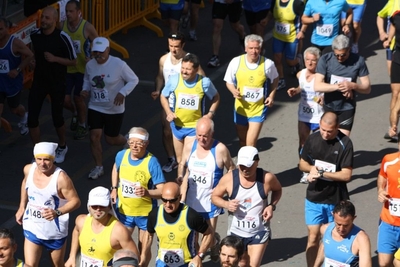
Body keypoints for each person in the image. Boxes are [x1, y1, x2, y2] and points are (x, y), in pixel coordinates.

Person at [211, 146, 282, 267]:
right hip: (236, 231)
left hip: (259, 230)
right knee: (241, 263)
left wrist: (271, 206)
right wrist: (226, 204)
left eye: (248, 165)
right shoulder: (229, 179)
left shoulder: (267, 178)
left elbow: (278, 190)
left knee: (253, 265)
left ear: (257, 162)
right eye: (242, 165)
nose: (244, 169)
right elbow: (214, 197)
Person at [299, 111, 354, 267]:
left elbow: (346, 175)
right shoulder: (313, 138)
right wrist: (311, 169)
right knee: (313, 236)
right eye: (322, 129)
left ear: (337, 128)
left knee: (332, 236)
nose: (324, 133)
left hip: (335, 198)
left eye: (329, 131)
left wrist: (324, 173)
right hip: (314, 197)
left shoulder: (345, 143)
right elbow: (302, 163)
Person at [81, 37, 139, 179]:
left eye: (101, 52)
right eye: (95, 52)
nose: (98, 55)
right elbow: (87, 79)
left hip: (114, 108)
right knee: (94, 137)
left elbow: (134, 80)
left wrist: (122, 92)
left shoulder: (119, 64)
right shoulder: (90, 65)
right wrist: (85, 89)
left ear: (108, 50)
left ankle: (126, 141)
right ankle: (98, 167)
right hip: (95, 106)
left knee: (111, 139)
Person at [15, 142, 81, 267]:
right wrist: (22, 206)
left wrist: (57, 212)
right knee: (30, 265)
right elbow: (25, 183)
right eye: (39, 159)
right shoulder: (28, 169)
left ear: (53, 158)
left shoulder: (61, 178)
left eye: (47, 159)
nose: (42, 163)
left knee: (57, 265)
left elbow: (76, 201)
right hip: (32, 226)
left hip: (54, 231)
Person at [179, 117, 235, 262]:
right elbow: (182, 164)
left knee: (208, 235)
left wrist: (224, 190)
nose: (202, 139)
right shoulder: (190, 144)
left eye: (206, 136)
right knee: (193, 238)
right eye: (199, 135)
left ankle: (212, 244)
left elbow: (232, 169)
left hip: (211, 201)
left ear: (212, 134)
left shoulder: (220, 149)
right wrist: (180, 177)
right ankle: (207, 250)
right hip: (192, 200)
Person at [28, 6, 77, 163]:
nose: (43, 20)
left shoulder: (62, 37)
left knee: (57, 118)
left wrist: (55, 59)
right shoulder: (35, 35)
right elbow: (32, 51)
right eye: (43, 17)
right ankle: (38, 151)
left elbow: (74, 61)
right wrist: (32, 61)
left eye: (47, 18)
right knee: (32, 119)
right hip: (39, 81)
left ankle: (62, 145)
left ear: (55, 20)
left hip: (57, 82)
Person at [111, 127, 165, 267]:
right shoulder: (121, 155)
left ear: (146, 144)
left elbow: (163, 190)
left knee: (143, 251)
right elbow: (115, 168)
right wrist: (114, 188)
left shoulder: (152, 162)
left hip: (145, 214)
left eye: (139, 143)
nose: (134, 146)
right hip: (125, 211)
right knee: (123, 247)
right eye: (131, 142)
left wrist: (147, 193)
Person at [152, 32, 205, 173]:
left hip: (187, 104)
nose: (173, 49)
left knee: (189, 133)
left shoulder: (189, 61)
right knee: (167, 131)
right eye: (170, 45)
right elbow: (159, 77)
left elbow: (203, 80)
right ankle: (172, 159)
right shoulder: (164, 60)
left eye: (176, 46)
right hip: (169, 102)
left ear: (183, 45)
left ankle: (190, 160)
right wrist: (157, 90)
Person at [160, 53, 220, 166]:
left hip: (193, 127)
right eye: (182, 68)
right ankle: (181, 180)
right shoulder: (174, 80)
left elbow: (216, 97)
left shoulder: (204, 82)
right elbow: (163, 96)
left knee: (188, 159)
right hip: (177, 126)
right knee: (179, 160)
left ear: (196, 69)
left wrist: (210, 114)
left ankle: (188, 182)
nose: (184, 71)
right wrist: (168, 111)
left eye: (188, 69)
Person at [140, 181, 213, 267]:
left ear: (180, 197)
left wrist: (199, 256)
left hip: (186, 263)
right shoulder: (155, 214)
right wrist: (143, 256)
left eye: (172, 201)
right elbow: (149, 235)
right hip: (162, 263)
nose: (168, 204)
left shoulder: (191, 216)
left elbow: (208, 233)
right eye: (164, 200)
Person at [224, 34, 279, 147]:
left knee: (250, 143)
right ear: (245, 48)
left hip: (258, 109)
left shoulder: (268, 64)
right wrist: (233, 90)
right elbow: (228, 81)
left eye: (257, 48)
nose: (254, 51)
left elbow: (275, 78)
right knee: (242, 141)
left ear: (260, 48)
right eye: (251, 48)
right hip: (240, 109)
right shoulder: (236, 62)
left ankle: (250, 163)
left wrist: (271, 96)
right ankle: (245, 163)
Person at [64, 186, 140, 267]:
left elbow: (134, 258)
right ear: (89, 206)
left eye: (102, 205)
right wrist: (72, 257)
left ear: (109, 206)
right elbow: (76, 231)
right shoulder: (81, 221)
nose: (98, 209)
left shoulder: (118, 230)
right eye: (94, 206)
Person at [314, 34, 371, 136]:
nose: (340, 58)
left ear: (349, 49)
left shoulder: (359, 61)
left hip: (347, 107)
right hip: (329, 105)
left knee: (343, 141)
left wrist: (353, 86)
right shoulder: (325, 59)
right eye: (337, 55)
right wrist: (340, 86)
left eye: (343, 55)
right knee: (327, 137)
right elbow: (317, 86)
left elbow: (367, 88)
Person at [59, 0, 98, 140]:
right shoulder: (62, 26)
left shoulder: (86, 27)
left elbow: (99, 43)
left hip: (82, 70)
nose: (68, 14)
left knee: (78, 98)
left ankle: (82, 125)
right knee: (64, 100)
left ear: (78, 12)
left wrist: (93, 57)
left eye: (71, 11)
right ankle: (75, 113)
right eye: (66, 11)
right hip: (67, 69)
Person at [287, 46, 323, 184]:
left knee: (318, 145)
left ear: (318, 61)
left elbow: (326, 91)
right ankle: (305, 170)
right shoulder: (300, 74)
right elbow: (302, 87)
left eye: (313, 61)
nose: (309, 63)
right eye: (307, 60)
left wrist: (323, 99)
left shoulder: (322, 76)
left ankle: (318, 170)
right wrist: (295, 91)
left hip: (319, 115)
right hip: (304, 114)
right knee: (303, 142)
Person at [0, 17, 33, 135]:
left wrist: (17, 70)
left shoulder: (15, 43)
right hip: (0, 82)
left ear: (7, 29)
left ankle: (25, 116)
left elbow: (30, 55)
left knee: (14, 109)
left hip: (11, 83)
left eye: (1, 29)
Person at [313, 201, 372, 267]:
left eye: (346, 225)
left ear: (353, 219)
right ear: (333, 215)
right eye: (338, 224)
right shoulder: (325, 229)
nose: (341, 229)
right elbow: (323, 248)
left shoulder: (361, 239)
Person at [377, 0, 400, 140]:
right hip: (397, 55)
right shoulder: (396, 9)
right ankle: (393, 128)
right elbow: (392, 23)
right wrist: (387, 37)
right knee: (396, 92)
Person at [376, 133, 400, 267]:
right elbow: (382, 176)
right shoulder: (389, 160)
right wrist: (380, 190)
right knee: (384, 263)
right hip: (388, 222)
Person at [271, 0, 305, 91]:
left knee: (290, 62)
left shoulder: (297, 3)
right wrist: (266, 19)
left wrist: (302, 31)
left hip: (292, 37)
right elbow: (271, 12)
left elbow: (305, 18)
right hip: (277, 35)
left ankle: (298, 62)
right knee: (277, 58)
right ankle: (281, 80)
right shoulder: (275, 1)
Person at [207, 0, 246, 68]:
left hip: (234, 3)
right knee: (217, 27)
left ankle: (242, 36)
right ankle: (215, 56)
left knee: (235, 26)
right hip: (219, 2)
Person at [385, 11, 400, 139]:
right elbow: (393, 26)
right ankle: (393, 127)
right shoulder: (397, 15)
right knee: (395, 93)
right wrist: (389, 39)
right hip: (398, 60)